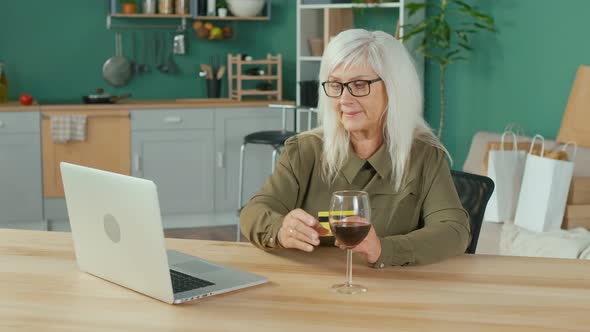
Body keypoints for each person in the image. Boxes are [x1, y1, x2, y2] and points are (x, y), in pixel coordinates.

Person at [240, 29, 470, 268]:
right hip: (315, 289)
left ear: (394, 89)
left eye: (359, 85)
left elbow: (453, 231)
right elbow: (254, 212)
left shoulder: (424, 156)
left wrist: (385, 249)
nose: (344, 99)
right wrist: (280, 229)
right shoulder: (304, 151)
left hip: (394, 291)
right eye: (336, 85)